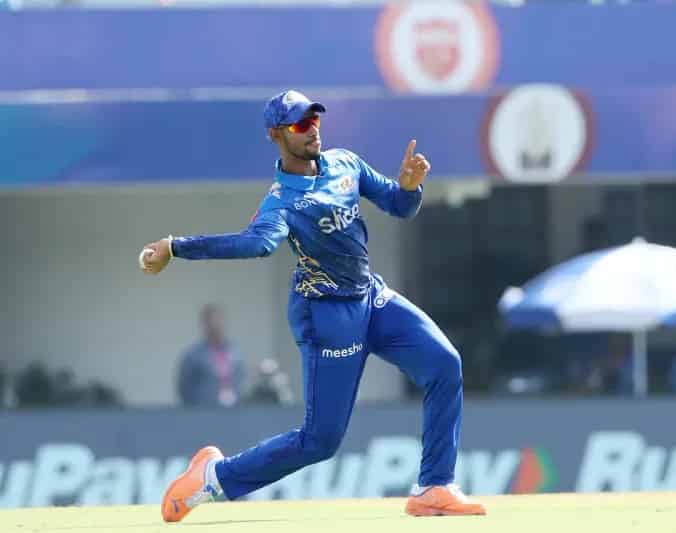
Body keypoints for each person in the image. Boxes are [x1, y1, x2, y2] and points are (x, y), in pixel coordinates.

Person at [140, 90, 486, 520]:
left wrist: (410, 187)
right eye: (301, 124)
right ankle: (213, 477)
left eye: (315, 120)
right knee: (320, 441)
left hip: (369, 296)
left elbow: (399, 206)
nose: (313, 130)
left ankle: (434, 487)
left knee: (444, 364)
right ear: (276, 134)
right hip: (326, 314)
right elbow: (255, 244)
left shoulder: (345, 163)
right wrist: (176, 246)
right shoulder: (282, 200)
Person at [177, 304, 247, 407]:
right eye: (213, 323)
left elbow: (240, 379)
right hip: (204, 411)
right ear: (205, 325)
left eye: (220, 322)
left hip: (234, 411)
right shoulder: (193, 355)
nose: (217, 327)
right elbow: (184, 388)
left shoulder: (235, 351)